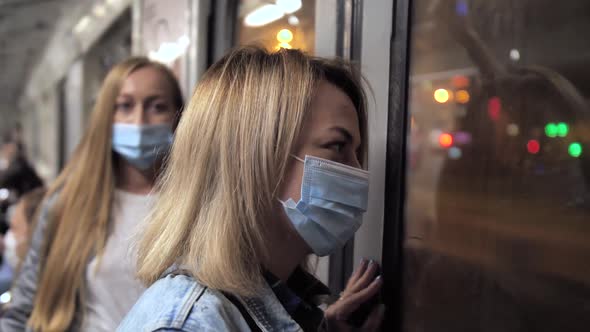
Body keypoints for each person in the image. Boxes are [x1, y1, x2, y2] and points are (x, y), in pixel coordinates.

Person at [118, 46, 384, 332]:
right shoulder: (189, 324)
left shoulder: (274, 304)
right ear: (256, 157)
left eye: (357, 153)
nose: (357, 172)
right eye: (337, 147)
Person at [0, 56, 184, 331]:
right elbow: (23, 311)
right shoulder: (67, 204)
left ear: (178, 116)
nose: (139, 121)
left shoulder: (198, 204)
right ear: (106, 117)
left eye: (157, 107)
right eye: (124, 106)